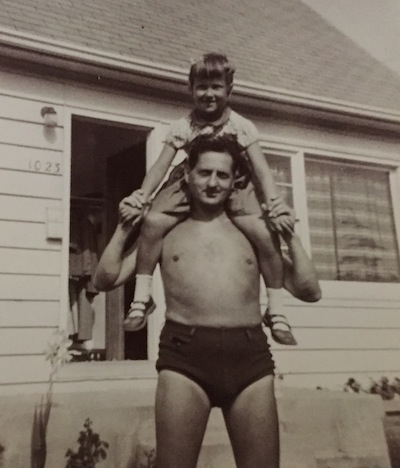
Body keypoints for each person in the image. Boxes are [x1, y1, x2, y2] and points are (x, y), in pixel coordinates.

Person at [94, 135, 321, 468]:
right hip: (185, 358)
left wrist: (290, 235)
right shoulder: (166, 229)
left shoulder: (253, 231)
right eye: (204, 173)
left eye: (223, 175)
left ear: (234, 182)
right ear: (187, 174)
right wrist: (123, 227)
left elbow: (309, 290)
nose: (213, 183)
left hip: (250, 360)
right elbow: (105, 279)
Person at [119, 52, 298, 345]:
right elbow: (160, 166)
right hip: (192, 183)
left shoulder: (242, 126)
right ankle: (142, 297)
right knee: (151, 221)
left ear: (229, 89)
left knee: (266, 233)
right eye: (201, 87)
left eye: (216, 86)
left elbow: (263, 170)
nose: (209, 94)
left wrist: (275, 202)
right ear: (191, 89)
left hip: (237, 184)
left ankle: (276, 309)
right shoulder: (183, 126)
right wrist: (142, 195)